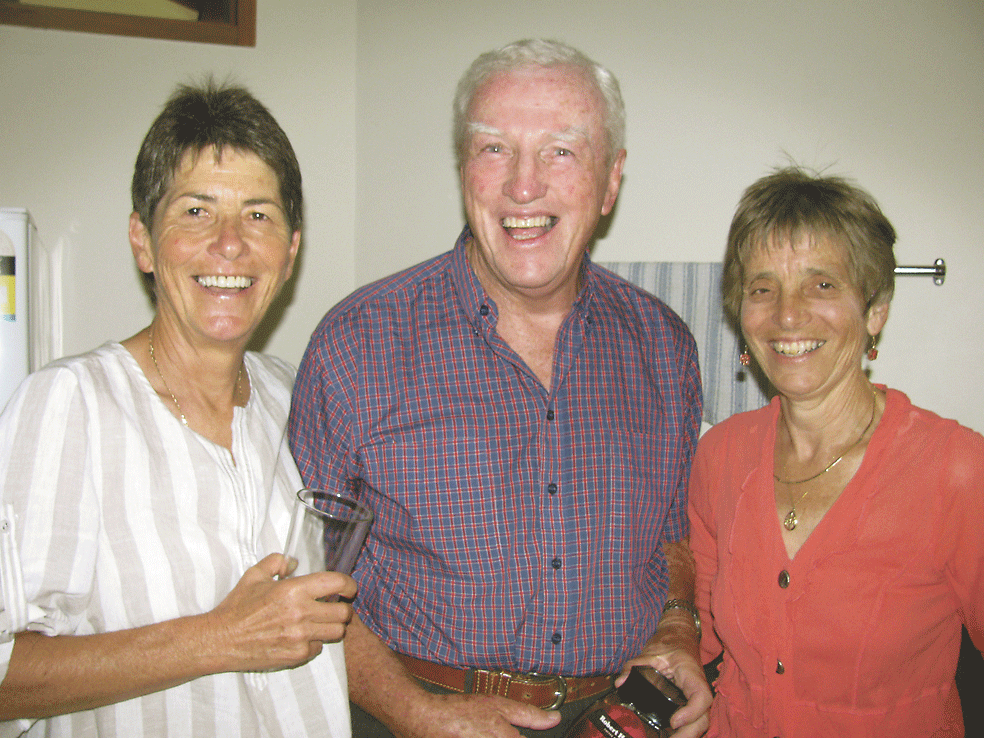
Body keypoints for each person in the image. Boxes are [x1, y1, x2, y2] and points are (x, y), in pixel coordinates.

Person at [289, 39, 711, 737]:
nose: (523, 185)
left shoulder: (664, 348)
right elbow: (302, 588)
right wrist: (417, 712)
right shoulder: (357, 344)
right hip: (414, 712)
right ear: (465, 171)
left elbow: (670, 542)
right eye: (494, 150)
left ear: (610, 181)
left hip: (614, 719)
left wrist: (675, 629)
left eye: (561, 152)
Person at [0, 80, 356, 736]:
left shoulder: (296, 396)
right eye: (195, 211)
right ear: (142, 240)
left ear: (291, 251)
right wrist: (219, 637)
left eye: (258, 213)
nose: (229, 243)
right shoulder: (68, 406)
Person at [689, 166, 984, 736]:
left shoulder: (956, 471)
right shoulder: (720, 455)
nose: (788, 314)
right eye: (762, 287)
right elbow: (699, 630)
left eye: (822, 284)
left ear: (874, 311)